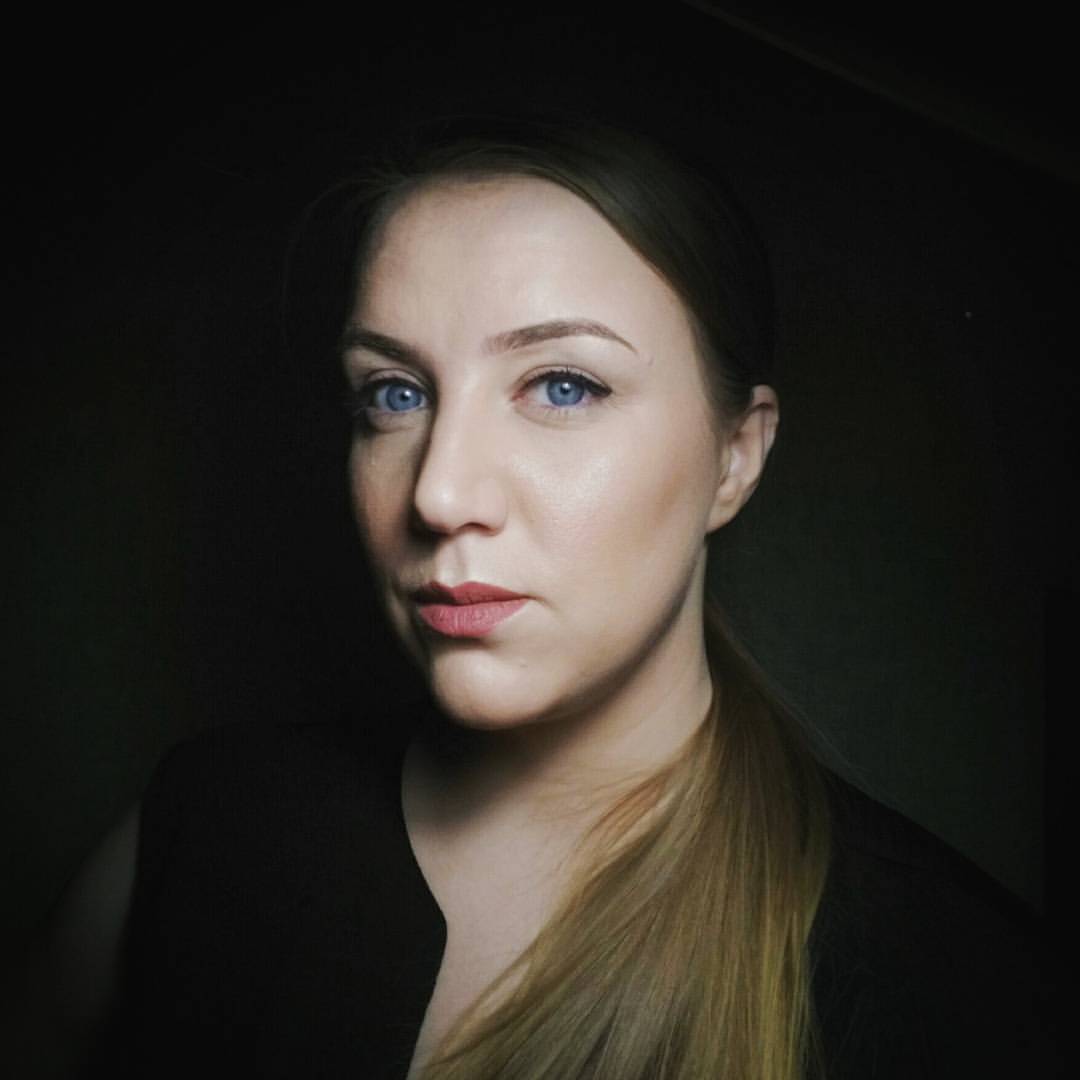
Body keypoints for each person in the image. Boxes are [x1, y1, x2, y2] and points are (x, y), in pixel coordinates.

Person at [4, 116, 1056, 1080]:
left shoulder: (957, 986)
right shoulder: (206, 826)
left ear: (736, 457)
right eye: (394, 395)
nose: (438, 492)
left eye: (563, 385)